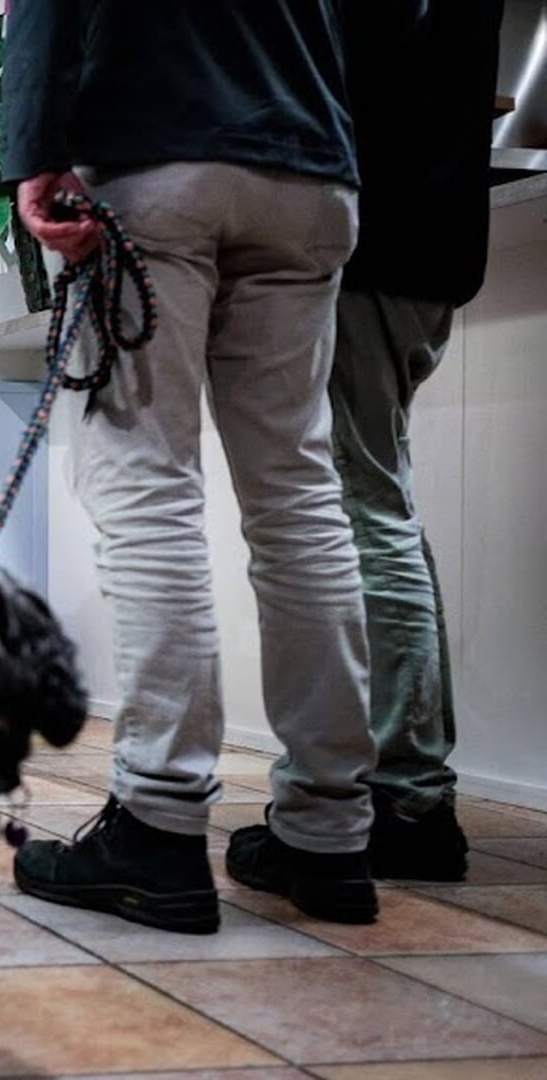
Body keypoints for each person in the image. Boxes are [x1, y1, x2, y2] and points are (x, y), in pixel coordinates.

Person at [2, 0, 378, 930]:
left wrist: (37, 153)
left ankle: (159, 828)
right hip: (309, 159)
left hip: (155, 147)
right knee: (298, 491)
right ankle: (328, 833)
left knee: (149, 489)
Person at [336, 0, 504, 882]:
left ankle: (407, 796)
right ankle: (404, 785)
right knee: (380, 497)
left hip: (378, 240)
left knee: (367, 505)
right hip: (430, 243)